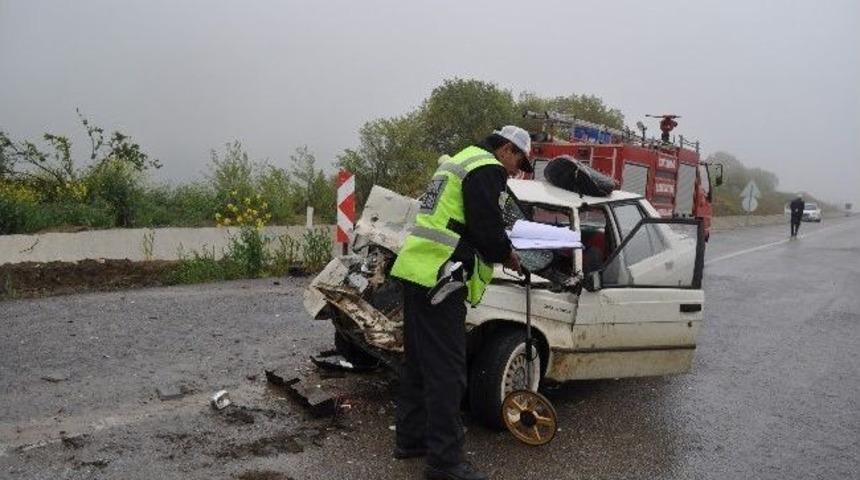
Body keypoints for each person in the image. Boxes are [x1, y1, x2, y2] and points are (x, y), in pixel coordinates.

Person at [389, 126, 532, 480]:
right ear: (507, 149)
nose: (516, 171)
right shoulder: (487, 168)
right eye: (519, 162)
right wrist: (508, 255)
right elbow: (486, 229)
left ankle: (411, 439)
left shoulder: (459, 160)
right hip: (442, 278)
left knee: (418, 364)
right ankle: (445, 462)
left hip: (417, 270)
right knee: (448, 372)